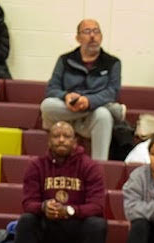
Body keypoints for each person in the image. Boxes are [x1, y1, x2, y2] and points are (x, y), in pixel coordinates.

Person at [8, 121, 108, 243]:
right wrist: (43, 207)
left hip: (77, 233)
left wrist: (70, 211)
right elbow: (28, 203)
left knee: (97, 224)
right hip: (48, 231)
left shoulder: (90, 166)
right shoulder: (36, 166)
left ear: (75, 141)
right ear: (49, 141)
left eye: (66, 136)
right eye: (56, 136)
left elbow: (97, 206)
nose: (61, 140)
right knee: (26, 220)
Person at [40, 19, 123, 162]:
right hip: (66, 114)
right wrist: (66, 97)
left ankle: (100, 167)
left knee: (103, 115)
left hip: (90, 118)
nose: (92, 36)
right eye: (87, 31)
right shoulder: (65, 60)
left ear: (101, 36)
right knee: (46, 105)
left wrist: (88, 101)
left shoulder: (112, 63)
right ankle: (102, 110)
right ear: (78, 38)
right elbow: (52, 89)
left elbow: (112, 92)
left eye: (96, 31)